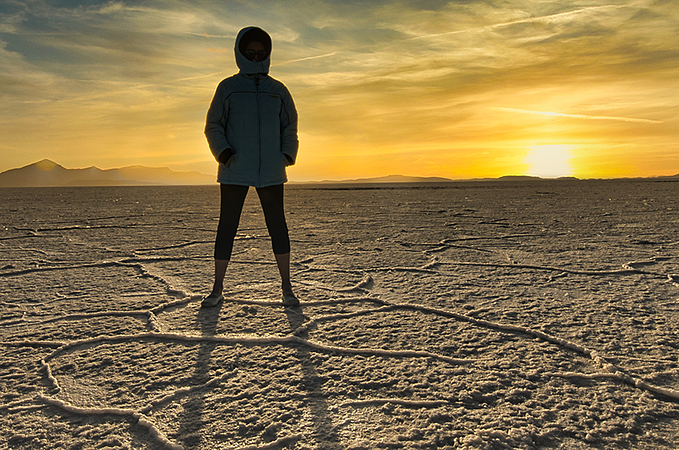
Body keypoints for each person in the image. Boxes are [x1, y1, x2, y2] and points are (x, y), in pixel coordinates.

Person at [202, 26, 299, 307]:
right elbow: (213, 125)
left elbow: (289, 126)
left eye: (261, 52)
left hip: (270, 170)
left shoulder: (278, 90)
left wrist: (285, 156)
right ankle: (217, 287)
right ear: (240, 53)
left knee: (277, 226)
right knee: (227, 227)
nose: (256, 57)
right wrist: (225, 154)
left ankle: (286, 286)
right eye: (250, 52)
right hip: (235, 169)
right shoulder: (228, 88)